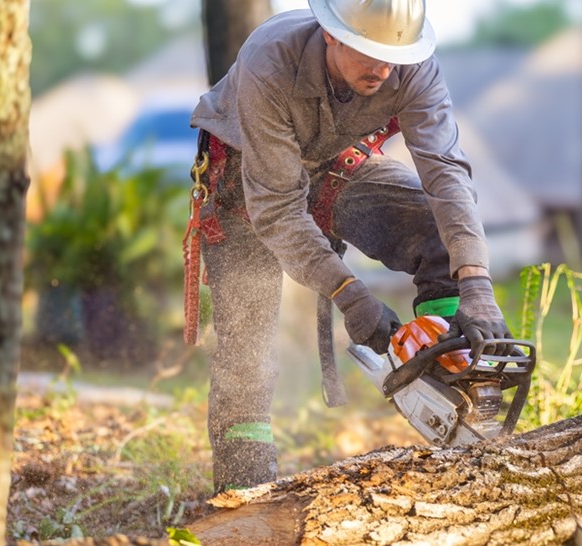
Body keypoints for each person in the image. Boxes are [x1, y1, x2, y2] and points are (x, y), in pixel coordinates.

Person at [189, 0, 513, 492]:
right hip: (247, 178)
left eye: (394, 57)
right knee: (248, 350)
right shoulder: (271, 59)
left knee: (438, 238)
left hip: (338, 162)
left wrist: (478, 282)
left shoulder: (412, 67)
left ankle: (455, 393)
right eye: (369, 53)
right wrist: (349, 293)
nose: (384, 68)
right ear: (332, 35)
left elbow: (446, 173)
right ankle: (245, 492)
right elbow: (276, 208)